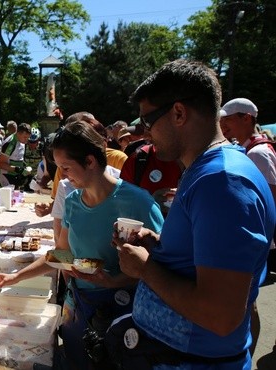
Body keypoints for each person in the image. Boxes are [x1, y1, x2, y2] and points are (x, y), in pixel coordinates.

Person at [114, 59, 275, 369]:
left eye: (148, 120)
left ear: (178, 113)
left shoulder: (222, 181)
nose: (144, 133)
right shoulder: (206, 170)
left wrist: (145, 267)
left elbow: (221, 315)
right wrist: (160, 244)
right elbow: (207, 255)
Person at [0, 121, 164, 370]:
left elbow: (162, 266)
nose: (63, 175)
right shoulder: (73, 201)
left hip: (121, 312)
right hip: (79, 306)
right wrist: (14, 278)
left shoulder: (138, 202)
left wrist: (113, 281)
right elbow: (62, 255)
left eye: (66, 167)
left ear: (90, 161)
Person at [219, 97, 276, 354]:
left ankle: (247, 355)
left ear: (246, 118)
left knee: (248, 303)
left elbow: (269, 198)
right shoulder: (249, 149)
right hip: (258, 238)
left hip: (259, 240)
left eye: (228, 119)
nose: (223, 124)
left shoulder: (258, 153)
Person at [0, 122, 31, 188]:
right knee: (8, 196)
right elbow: (0, 164)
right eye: (25, 137)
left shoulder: (21, 140)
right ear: (18, 133)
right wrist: (18, 169)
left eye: (28, 137)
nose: (27, 140)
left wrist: (23, 166)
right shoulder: (10, 143)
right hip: (6, 175)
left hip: (16, 175)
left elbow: (17, 157)